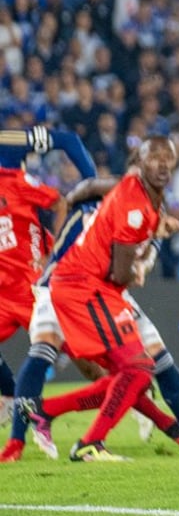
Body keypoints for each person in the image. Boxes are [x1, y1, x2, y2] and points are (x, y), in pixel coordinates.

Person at [5, 173, 179, 461]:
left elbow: (148, 247)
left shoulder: (139, 213)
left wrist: (143, 261)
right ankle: (25, 439)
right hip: (66, 288)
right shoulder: (98, 213)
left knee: (138, 368)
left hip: (103, 293)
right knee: (119, 367)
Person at [19, 136, 177, 462]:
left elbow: (91, 187)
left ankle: (46, 412)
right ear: (139, 162)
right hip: (83, 288)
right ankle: (87, 442)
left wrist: (73, 198)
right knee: (136, 369)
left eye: (168, 158)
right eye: (154, 158)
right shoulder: (135, 206)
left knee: (131, 372)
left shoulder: (138, 193)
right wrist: (146, 257)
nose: (162, 164)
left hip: (83, 286)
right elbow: (120, 276)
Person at [0, 162, 66, 433]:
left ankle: (134, 393)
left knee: (85, 355)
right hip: (3, 293)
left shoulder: (16, 180)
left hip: (31, 287)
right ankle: (12, 397)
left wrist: (55, 255)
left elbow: (59, 203)